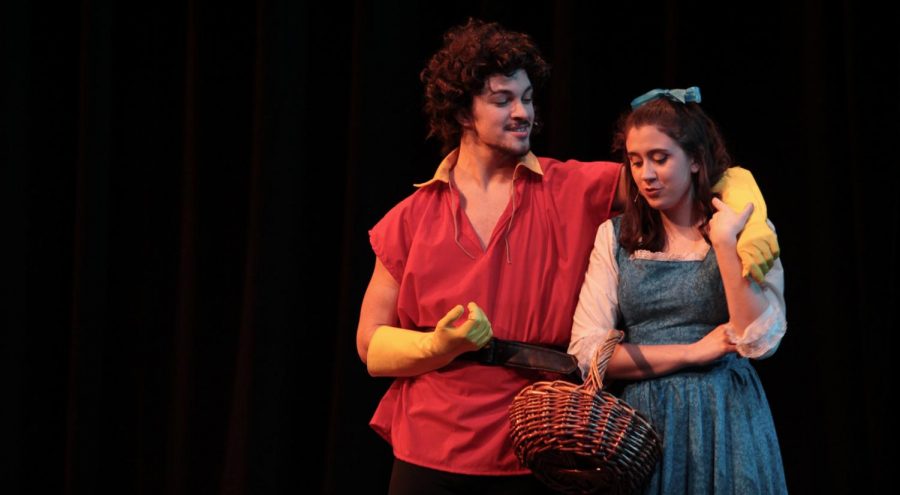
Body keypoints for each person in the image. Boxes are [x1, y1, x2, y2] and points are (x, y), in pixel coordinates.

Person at [356, 18, 780, 494]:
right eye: (503, 100)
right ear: (461, 113)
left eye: (528, 98)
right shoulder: (411, 217)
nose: (523, 113)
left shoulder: (574, 187)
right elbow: (370, 343)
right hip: (430, 439)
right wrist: (438, 345)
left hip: (541, 436)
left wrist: (750, 208)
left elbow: (687, 170)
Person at [568, 87, 788, 494]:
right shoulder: (614, 237)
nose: (646, 174)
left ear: (696, 161)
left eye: (660, 158)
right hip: (645, 426)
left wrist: (724, 243)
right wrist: (690, 352)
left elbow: (757, 340)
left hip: (727, 417)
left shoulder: (746, 231)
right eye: (635, 162)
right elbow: (588, 351)